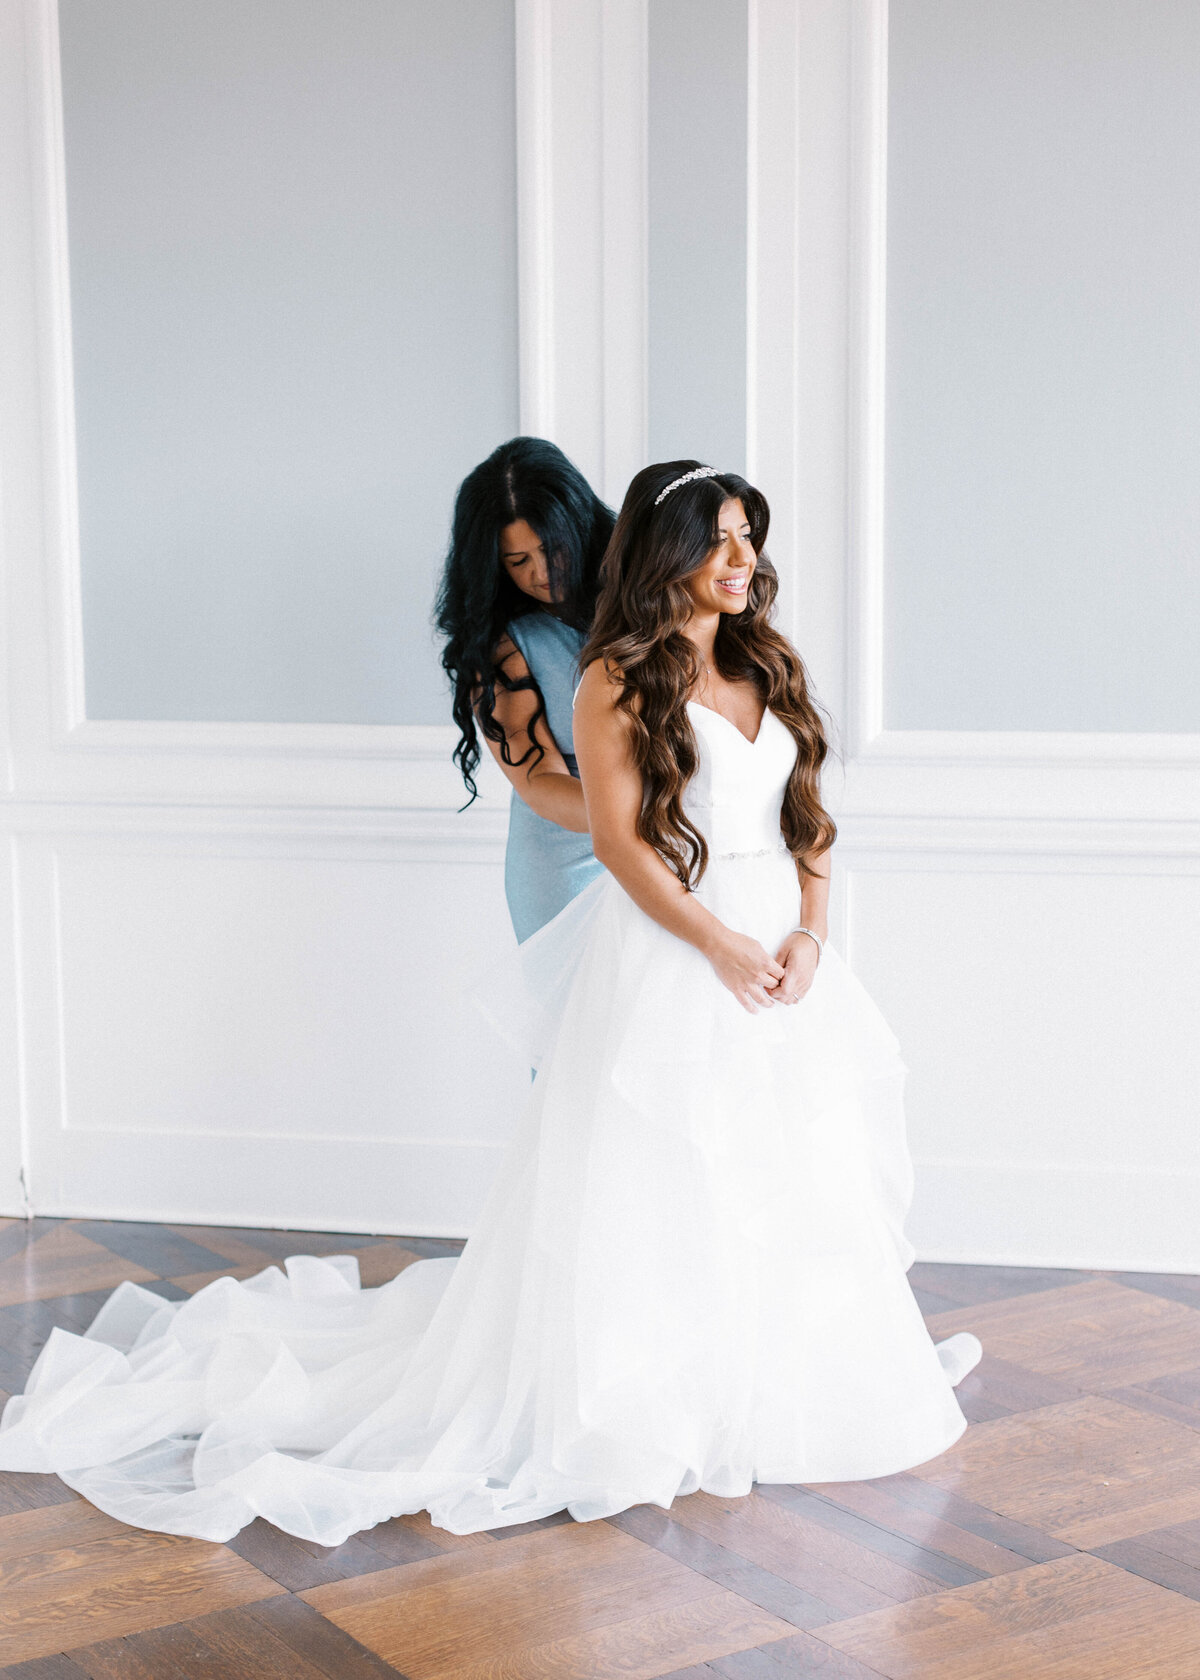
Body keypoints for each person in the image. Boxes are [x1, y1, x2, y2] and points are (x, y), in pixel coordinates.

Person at [0, 461, 981, 1543]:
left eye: (751, 537)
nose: (746, 561)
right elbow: (614, 838)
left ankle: (778, 1376)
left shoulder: (768, 665)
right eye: (722, 541)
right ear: (669, 556)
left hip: (781, 954)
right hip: (678, 940)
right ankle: (648, 1391)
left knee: (785, 1157)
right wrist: (717, 942)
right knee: (655, 1157)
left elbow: (810, 818)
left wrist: (809, 934)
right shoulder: (614, 676)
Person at [435, 436, 612, 941]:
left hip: (675, 851)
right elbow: (539, 780)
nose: (541, 573)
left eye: (552, 549)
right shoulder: (501, 646)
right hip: (567, 867)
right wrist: (644, 825)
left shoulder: (643, 601)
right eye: (518, 562)